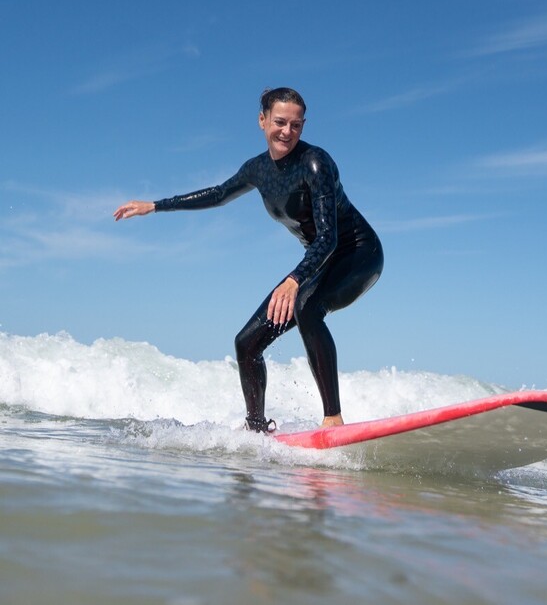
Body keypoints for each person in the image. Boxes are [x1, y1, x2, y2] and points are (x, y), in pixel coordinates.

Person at [114, 87, 383, 433]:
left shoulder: (316, 164)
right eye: (280, 122)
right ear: (262, 121)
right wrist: (155, 205)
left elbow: (329, 237)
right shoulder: (258, 169)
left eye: (296, 125)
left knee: (306, 307)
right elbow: (218, 194)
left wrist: (295, 279)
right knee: (247, 343)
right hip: (316, 264)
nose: (287, 131)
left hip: (358, 254)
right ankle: (256, 428)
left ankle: (333, 418)